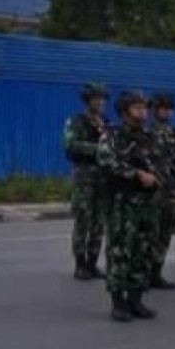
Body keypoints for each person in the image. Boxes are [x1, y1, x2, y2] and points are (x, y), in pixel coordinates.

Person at [98, 90, 162, 322]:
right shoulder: (111, 135)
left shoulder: (149, 136)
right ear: (125, 111)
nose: (143, 111)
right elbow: (106, 163)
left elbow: (159, 164)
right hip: (122, 204)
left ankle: (136, 300)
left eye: (144, 106)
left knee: (142, 251)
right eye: (137, 107)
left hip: (147, 204)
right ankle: (118, 303)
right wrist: (135, 174)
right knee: (120, 251)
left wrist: (167, 188)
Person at [63, 82, 110, 281]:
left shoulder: (105, 121)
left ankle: (93, 262)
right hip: (84, 177)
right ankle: (80, 264)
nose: (100, 102)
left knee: (99, 222)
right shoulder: (77, 121)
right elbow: (70, 146)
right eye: (96, 98)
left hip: (103, 178)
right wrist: (96, 149)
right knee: (83, 220)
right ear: (87, 100)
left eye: (102, 99)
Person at [147, 92, 175, 290]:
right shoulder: (148, 132)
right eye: (163, 108)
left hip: (171, 190)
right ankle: (144, 273)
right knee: (150, 233)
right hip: (154, 191)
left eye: (170, 109)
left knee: (165, 233)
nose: (167, 112)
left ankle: (156, 273)